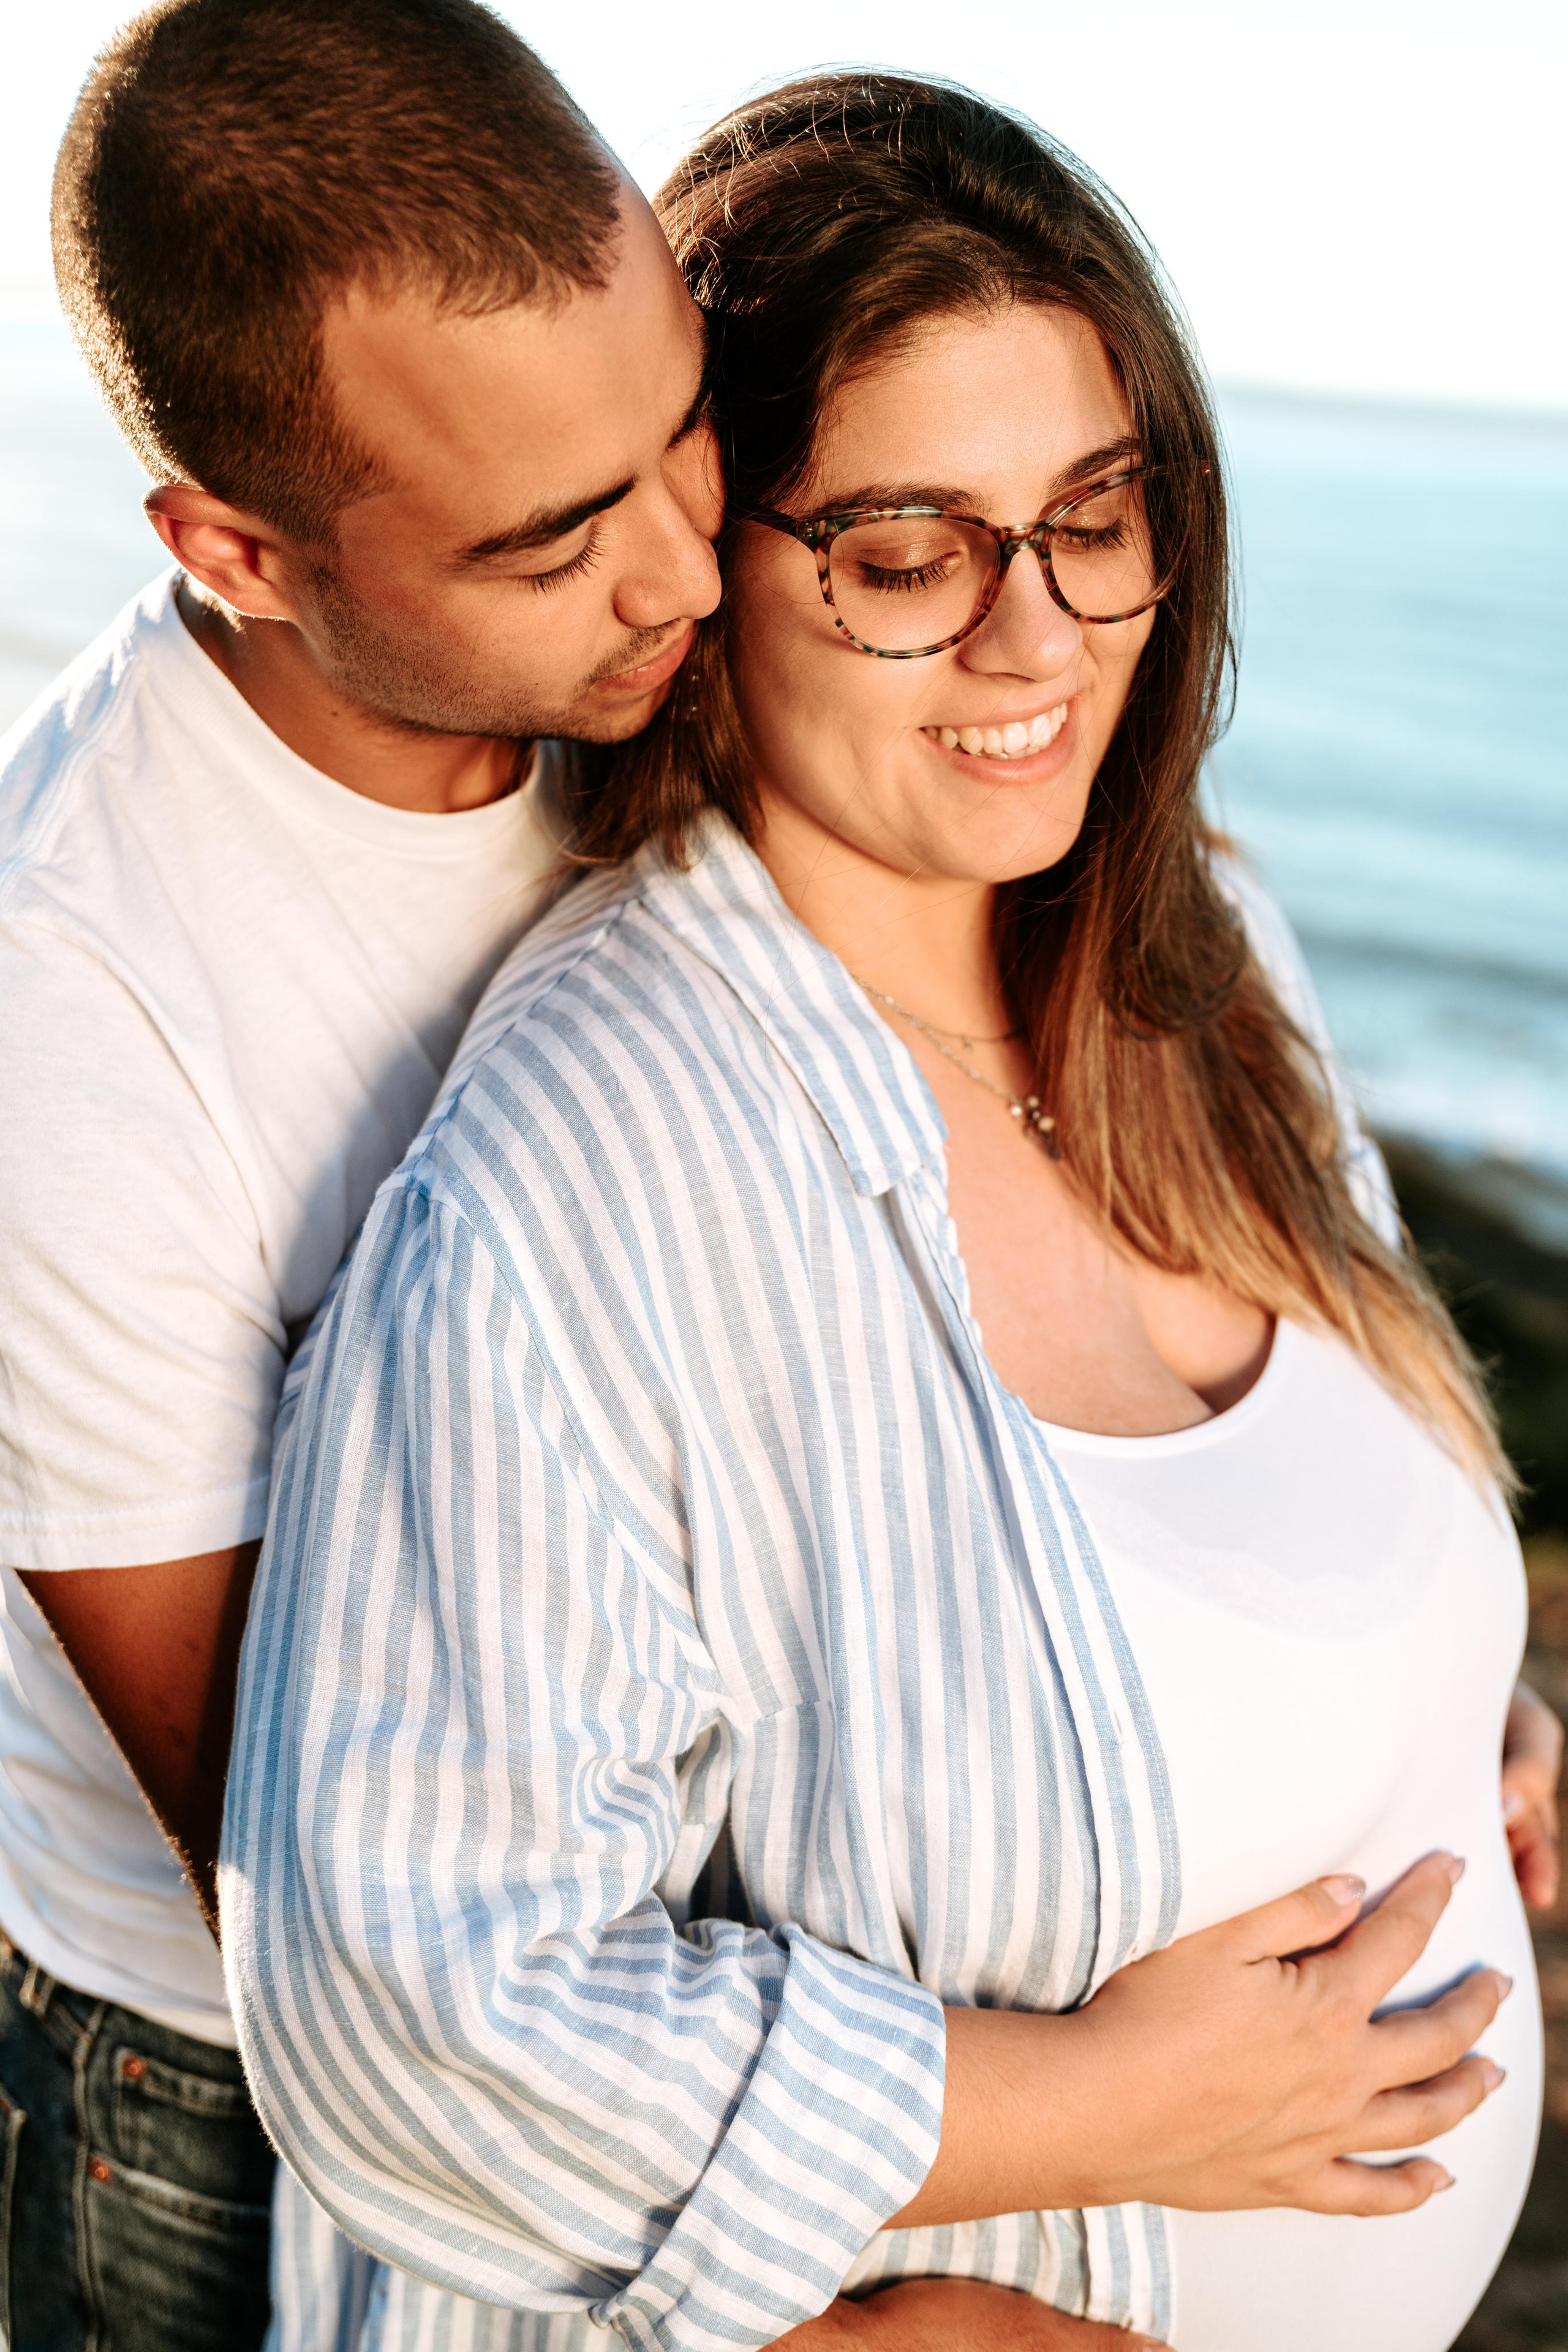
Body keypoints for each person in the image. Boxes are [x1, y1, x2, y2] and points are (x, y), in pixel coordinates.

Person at [224, 70, 1561, 2352]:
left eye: (1098, 517)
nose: (1036, 645)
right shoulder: (586, 1178)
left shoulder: (1207, 971)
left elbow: (1245, 1550)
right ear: (706, 562)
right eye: (911, 556)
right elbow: (405, 1998)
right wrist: (1071, 2115)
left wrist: (1448, 1710)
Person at [0, 1, 720, 2343]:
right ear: (237, 548)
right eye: (556, 540)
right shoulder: (70, 1009)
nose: (691, 579)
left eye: (687, 432)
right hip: (223, 2078)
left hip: (683, 1961)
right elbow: (287, 1864)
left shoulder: (636, 658)